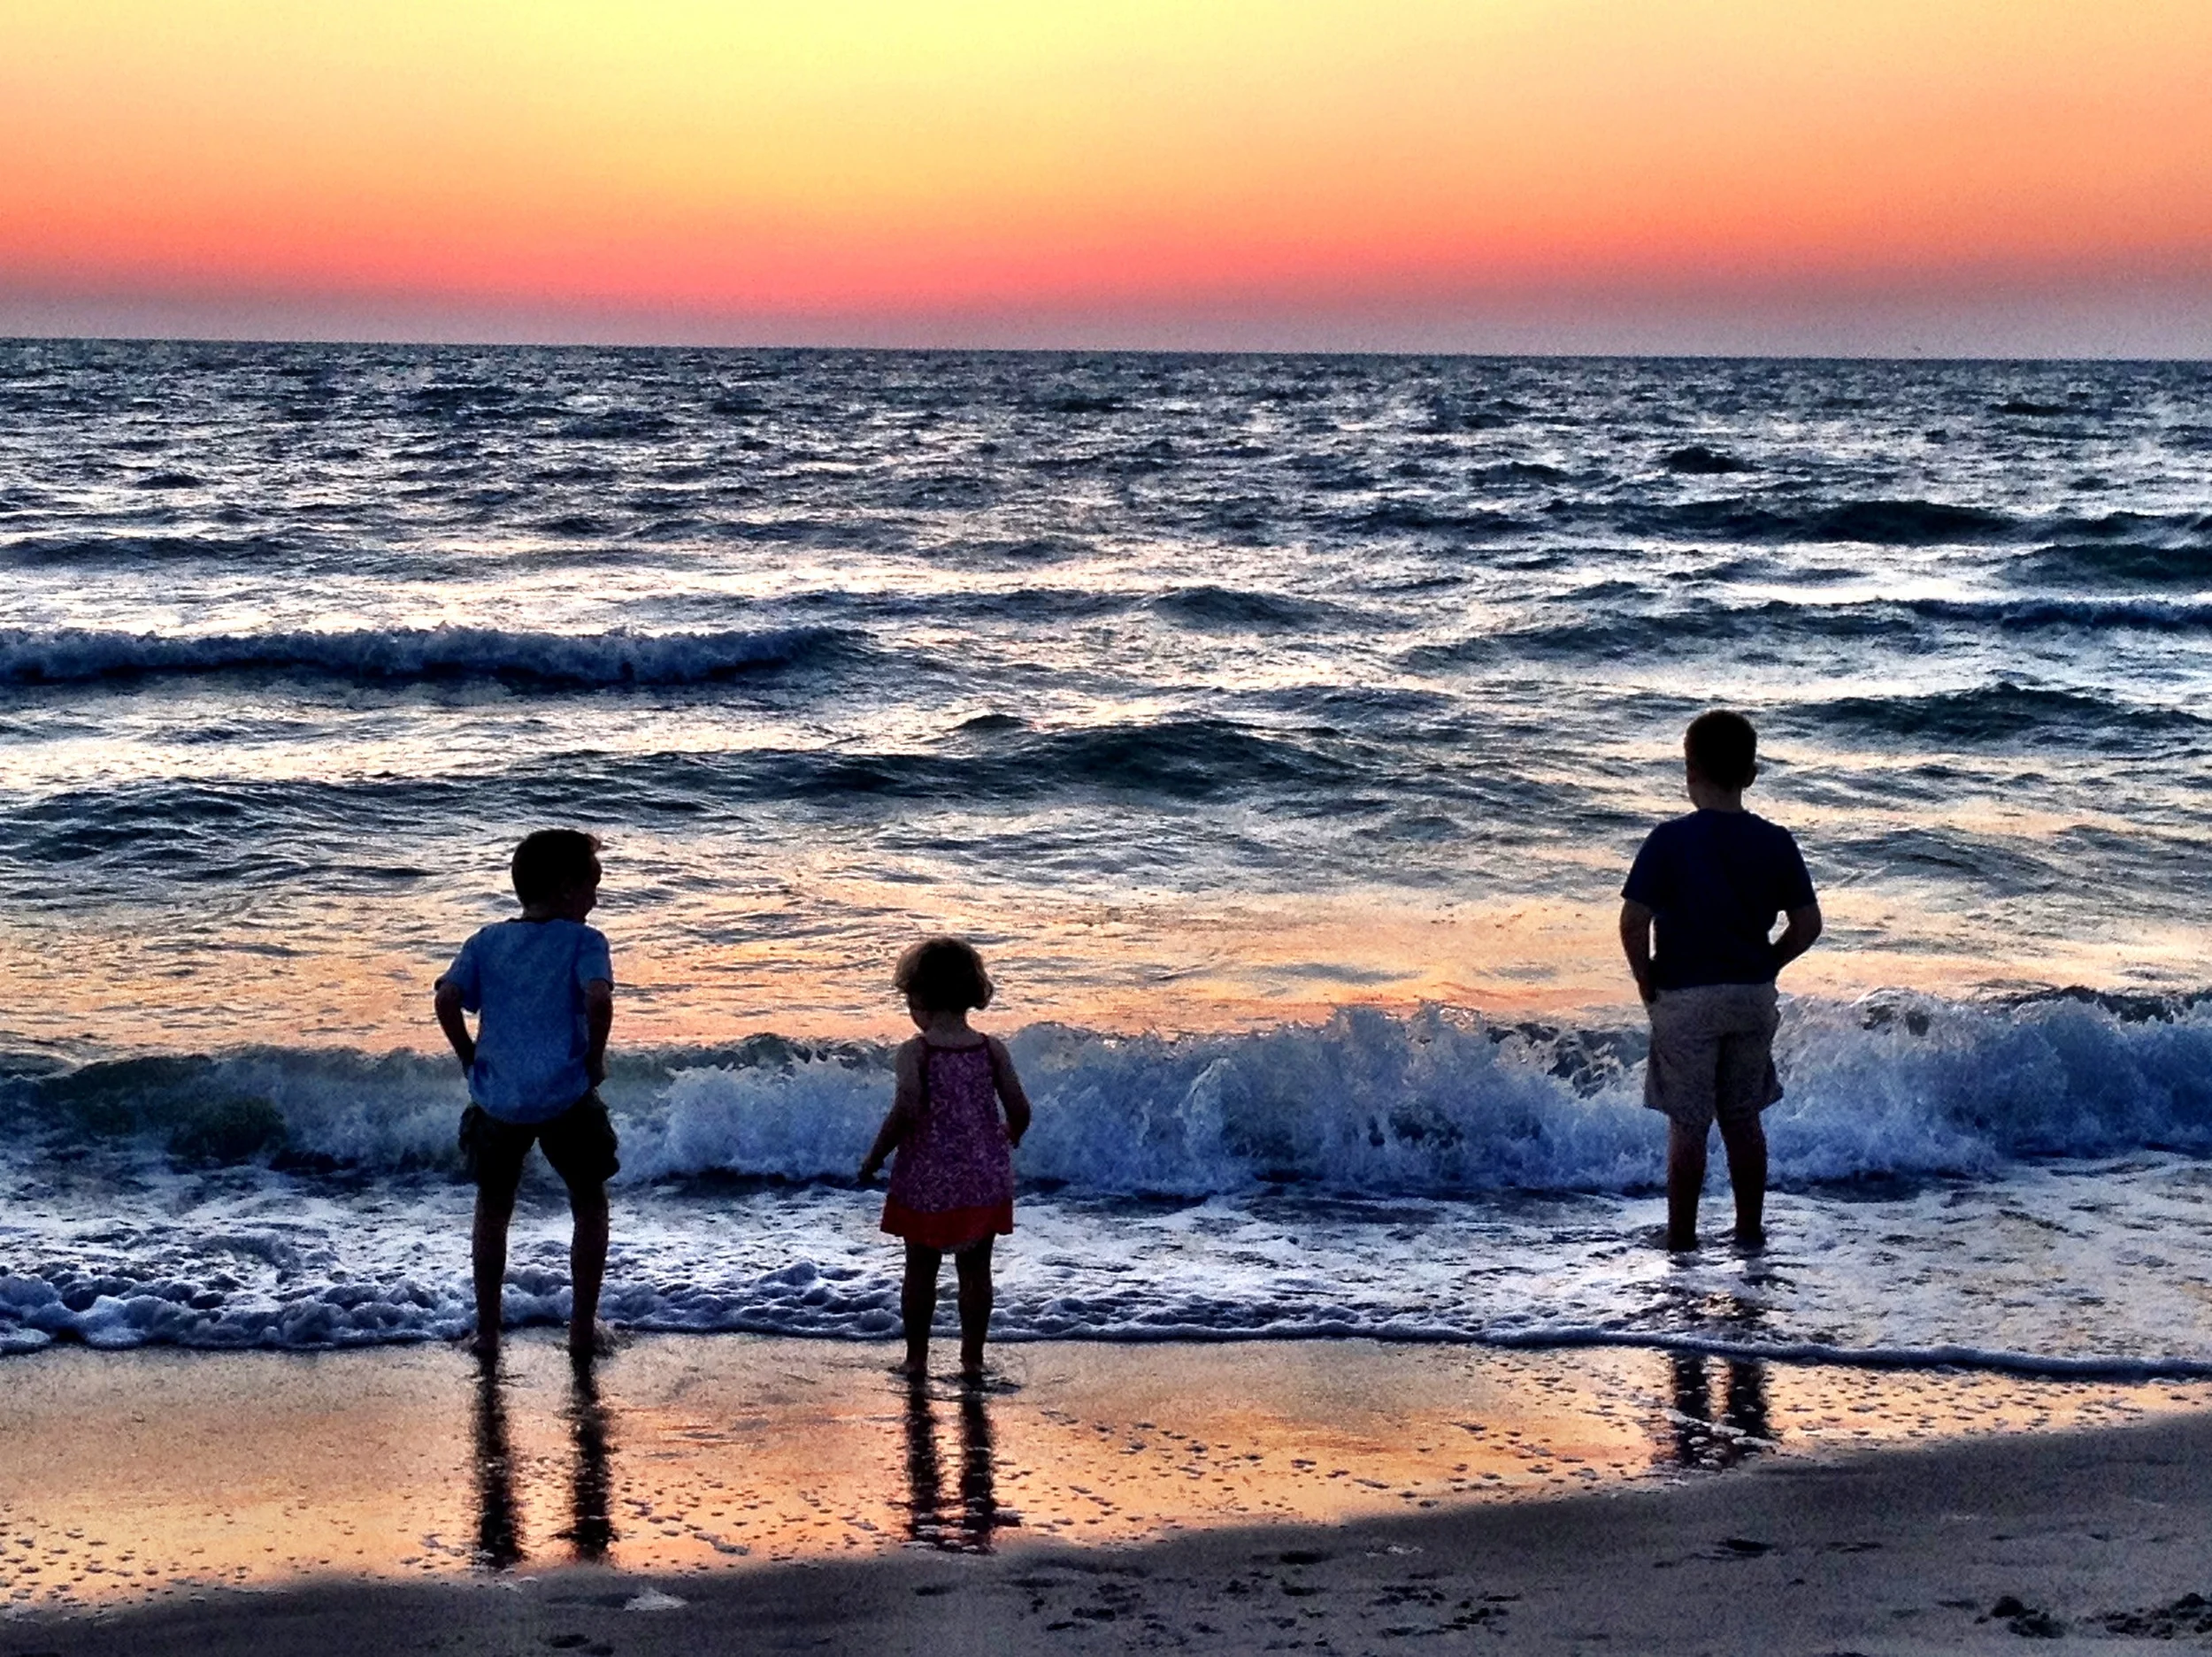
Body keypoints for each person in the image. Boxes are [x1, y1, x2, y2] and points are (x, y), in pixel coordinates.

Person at [1619, 711, 1821, 1252]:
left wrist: (1646, 982)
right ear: (1751, 774)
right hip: (1751, 996)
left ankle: (1682, 1238)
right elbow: (1808, 926)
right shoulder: (1775, 841)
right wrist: (1770, 964)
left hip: (1685, 995)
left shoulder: (1668, 841)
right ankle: (1749, 1233)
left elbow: (1633, 922)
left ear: (1689, 772)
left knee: (1688, 1123)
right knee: (1742, 1118)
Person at [434, 829, 618, 1362]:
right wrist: (595, 1056)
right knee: (588, 1202)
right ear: (565, 888)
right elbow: (598, 997)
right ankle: (582, 1327)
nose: (595, 899)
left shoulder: (486, 941)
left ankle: (488, 1332)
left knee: (493, 1208)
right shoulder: (584, 941)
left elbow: (448, 998)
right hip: (565, 1093)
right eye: (591, 886)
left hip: (499, 1097)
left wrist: (467, 1055)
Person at [857, 937, 1033, 1383]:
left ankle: (917, 1359)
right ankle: (971, 1360)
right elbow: (1020, 1108)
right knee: (976, 1270)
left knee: (920, 1269)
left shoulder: (917, 1052)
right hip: (982, 1175)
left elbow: (907, 1110)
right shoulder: (991, 1049)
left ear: (920, 997)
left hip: (926, 1179)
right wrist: (1009, 1137)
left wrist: (876, 1156)